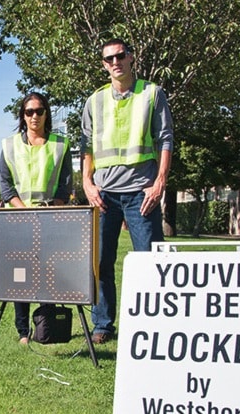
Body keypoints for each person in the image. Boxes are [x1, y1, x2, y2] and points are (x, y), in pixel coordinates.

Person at [81, 38, 174, 344]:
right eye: (108, 59)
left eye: (120, 56)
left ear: (131, 58)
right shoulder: (94, 101)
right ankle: (103, 325)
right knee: (101, 263)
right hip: (105, 195)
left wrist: (160, 181)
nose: (115, 62)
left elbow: (164, 139)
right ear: (103, 65)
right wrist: (87, 183)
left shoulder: (152, 93)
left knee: (151, 261)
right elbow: (86, 147)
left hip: (141, 193)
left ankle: (156, 324)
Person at [0, 92, 73, 344]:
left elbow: (64, 187)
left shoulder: (60, 145)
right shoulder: (9, 146)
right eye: (29, 112)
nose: (34, 116)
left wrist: (51, 209)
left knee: (47, 276)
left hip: (50, 221)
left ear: (46, 114)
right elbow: (6, 186)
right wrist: (23, 210)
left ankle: (46, 327)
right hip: (19, 222)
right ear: (22, 115)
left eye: (39, 111)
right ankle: (23, 332)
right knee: (21, 277)